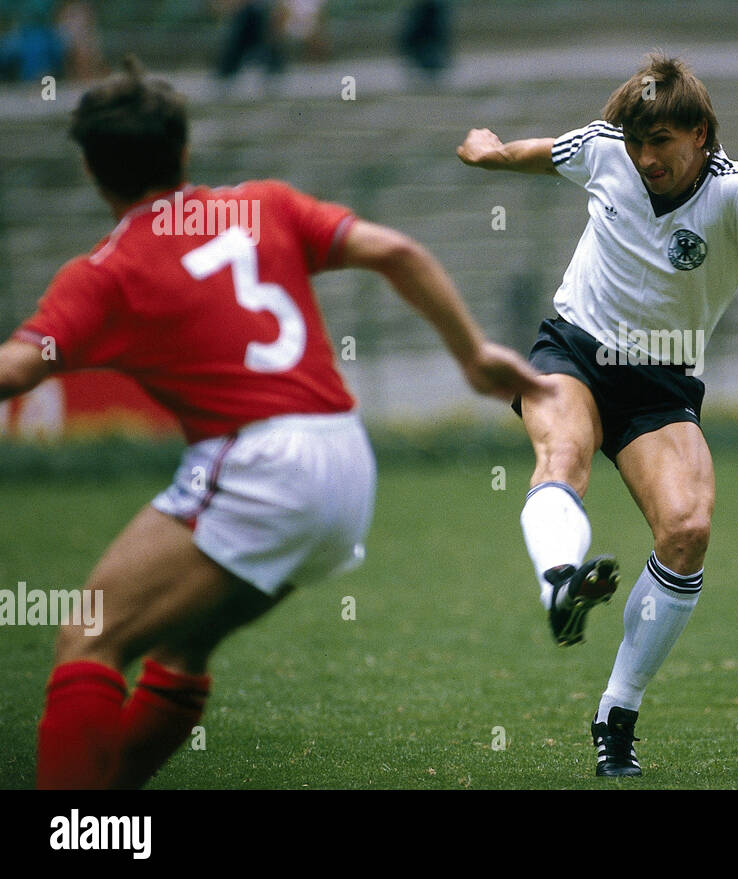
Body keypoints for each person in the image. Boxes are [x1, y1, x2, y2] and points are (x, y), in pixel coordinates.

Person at [0, 58, 546, 789]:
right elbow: (398, 250)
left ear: (93, 172)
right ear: (184, 152)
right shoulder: (262, 204)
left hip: (261, 460)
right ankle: (97, 820)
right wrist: (474, 357)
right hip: (347, 461)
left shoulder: (104, 271)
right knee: (181, 650)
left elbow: (14, 370)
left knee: (89, 638)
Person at [456, 53, 738, 777]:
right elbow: (547, 154)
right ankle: (561, 582)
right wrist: (493, 153)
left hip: (660, 379)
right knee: (561, 455)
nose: (643, 156)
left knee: (687, 529)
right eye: (636, 141)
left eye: (659, 140)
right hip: (573, 346)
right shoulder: (607, 149)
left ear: (699, 134)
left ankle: (615, 714)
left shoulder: (732, 192)